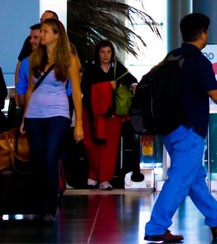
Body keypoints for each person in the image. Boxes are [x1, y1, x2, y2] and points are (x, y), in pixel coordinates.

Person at [143, 13, 217, 243]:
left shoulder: (171, 57)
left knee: (194, 177)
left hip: (170, 129)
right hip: (189, 129)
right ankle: (156, 226)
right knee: (180, 178)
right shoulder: (199, 61)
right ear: (203, 34)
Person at [20, 18, 83, 221]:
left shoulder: (69, 60)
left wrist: (79, 124)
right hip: (34, 115)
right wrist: (24, 117)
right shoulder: (34, 59)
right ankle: (43, 202)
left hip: (58, 114)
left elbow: (76, 93)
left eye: (46, 31)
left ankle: (50, 204)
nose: (41, 35)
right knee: (39, 160)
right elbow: (30, 89)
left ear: (57, 35)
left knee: (50, 157)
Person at [81, 40, 137, 190]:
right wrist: (107, 86)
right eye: (102, 52)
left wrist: (133, 85)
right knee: (91, 146)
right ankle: (93, 175)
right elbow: (85, 88)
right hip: (92, 114)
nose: (105, 55)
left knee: (110, 148)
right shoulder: (91, 69)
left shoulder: (117, 68)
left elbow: (131, 79)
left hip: (111, 115)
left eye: (108, 52)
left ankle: (105, 179)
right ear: (97, 53)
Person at [14, 22, 41, 110]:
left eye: (36, 38)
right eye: (31, 38)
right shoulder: (26, 62)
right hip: (31, 112)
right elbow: (22, 87)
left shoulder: (62, 61)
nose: (31, 41)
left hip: (56, 114)